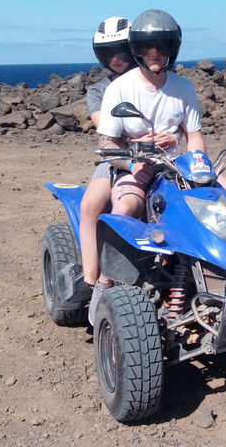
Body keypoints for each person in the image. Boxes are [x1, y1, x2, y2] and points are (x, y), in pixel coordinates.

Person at [88, 9, 226, 325]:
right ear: (136, 48)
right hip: (135, 165)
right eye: (148, 47)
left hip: (178, 165)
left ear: (173, 48)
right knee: (126, 209)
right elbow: (107, 143)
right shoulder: (119, 89)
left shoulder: (183, 87)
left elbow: (194, 135)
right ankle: (105, 284)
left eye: (162, 46)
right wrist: (136, 158)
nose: (155, 54)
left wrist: (201, 169)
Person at [78, 18, 143, 299]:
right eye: (108, 53)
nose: (115, 58)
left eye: (121, 51)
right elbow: (103, 126)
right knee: (91, 205)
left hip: (158, 156)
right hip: (115, 156)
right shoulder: (99, 90)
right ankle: (92, 283)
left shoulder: (150, 78)